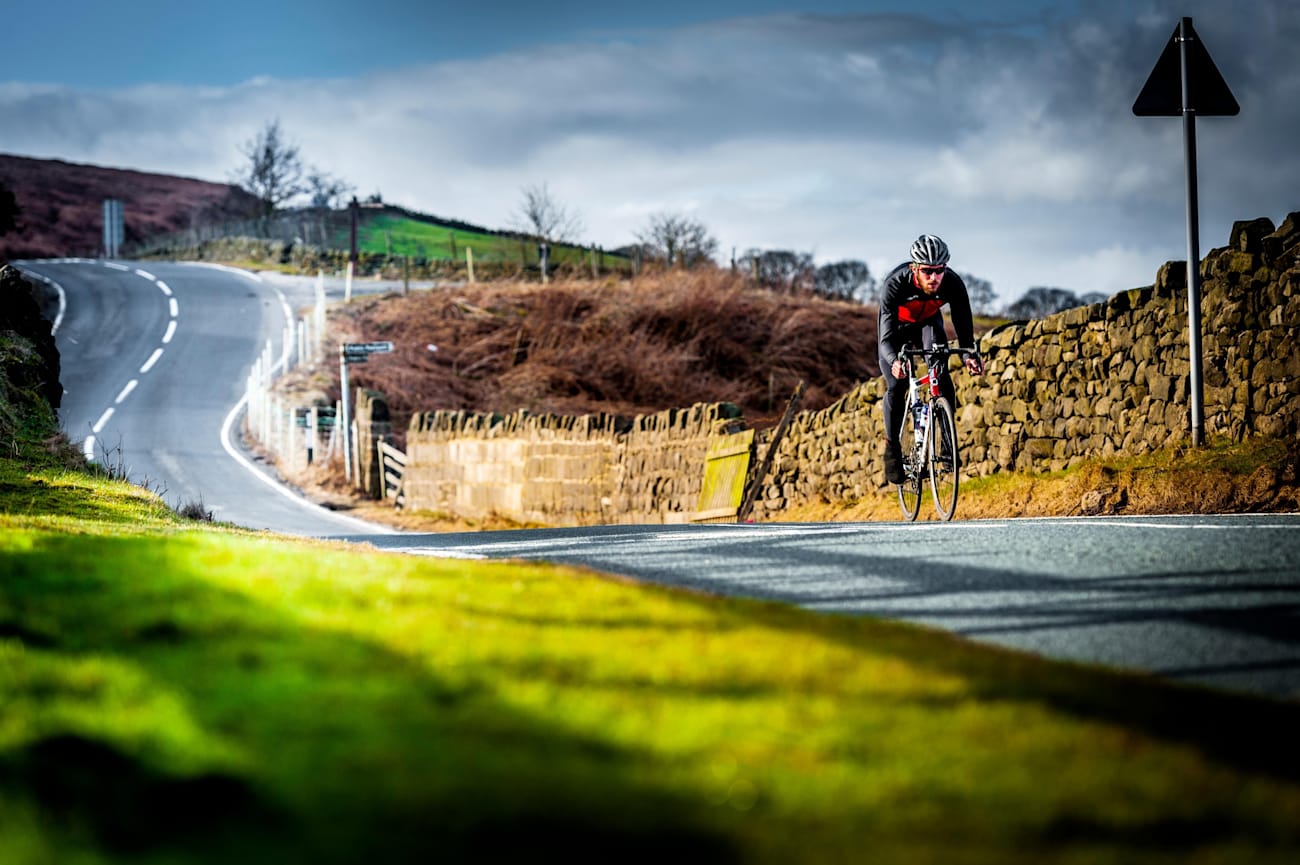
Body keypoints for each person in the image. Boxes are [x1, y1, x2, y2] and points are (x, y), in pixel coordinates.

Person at [878, 234, 983, 485]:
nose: (934, 277)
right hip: (897, 331)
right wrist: (894, 360)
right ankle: (892, 450)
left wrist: (970, 352)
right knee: (897, 385)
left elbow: (962, 320)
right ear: (915, 268)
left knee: (940, 372)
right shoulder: (895, 284)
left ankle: (947, 445)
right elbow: (885, 338)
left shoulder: (953, 284)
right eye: (927, 271)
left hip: (928, 324)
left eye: (939, 271)